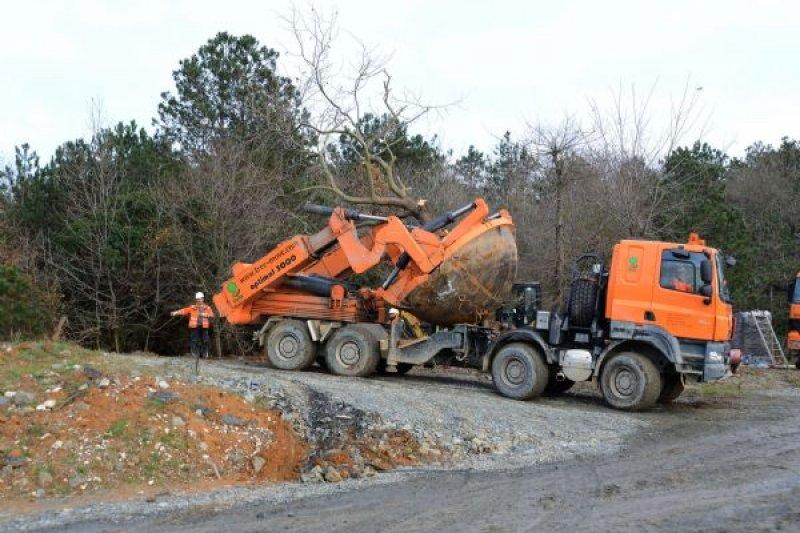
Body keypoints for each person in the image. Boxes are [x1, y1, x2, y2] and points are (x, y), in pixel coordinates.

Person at [171, 292, 215, 358]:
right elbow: (184, 311)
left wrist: (205, 315)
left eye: (200, 299)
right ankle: (194, 354)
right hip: (195, 327)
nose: (199, 300)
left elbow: (212, 315)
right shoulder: (192, 308)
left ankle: (205, 354)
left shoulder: (207, 308)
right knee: (194, 340)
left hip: (204, 327)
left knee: (205, 340)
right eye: (197, 299)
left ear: (203, 299)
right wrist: (175, 312)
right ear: (196, 300)